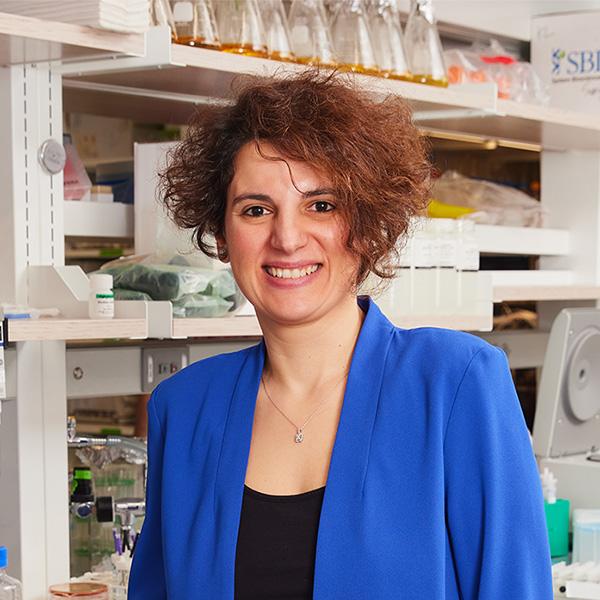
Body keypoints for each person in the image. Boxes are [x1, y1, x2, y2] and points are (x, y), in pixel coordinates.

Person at [128, 70, 553, 599]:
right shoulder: (184, 409)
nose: (286, 237)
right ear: (220, 235)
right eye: (256, 210)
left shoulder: (456, 384)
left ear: (367, 224)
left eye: (321, 205)